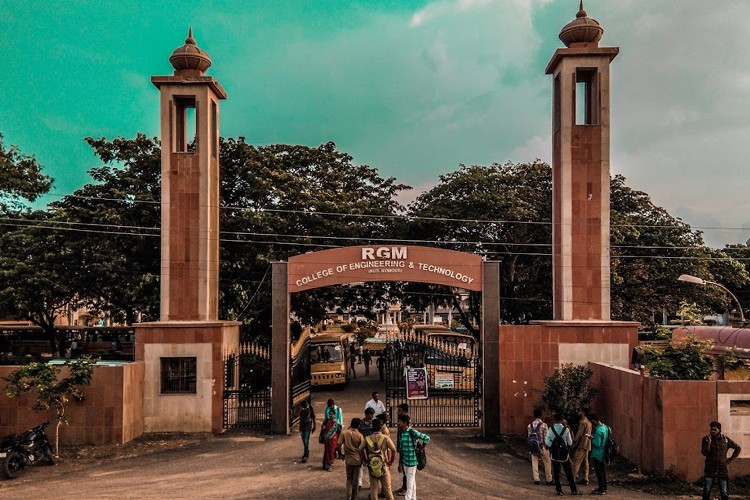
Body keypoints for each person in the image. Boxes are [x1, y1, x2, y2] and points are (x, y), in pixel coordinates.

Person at [701, 420, 741, 500]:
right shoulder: (705, 439)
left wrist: (730, 459)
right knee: (707, 490)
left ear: (719, 430)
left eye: (715, 430)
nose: (713, 431)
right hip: (710, 468)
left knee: (724, 492)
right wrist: (708, 443)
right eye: (711, 429)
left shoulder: (725, 440)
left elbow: (738, 448)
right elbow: (705, 453)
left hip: (722, 469)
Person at [359, 418, 396, 500]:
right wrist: (390, 461)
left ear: (372, 427)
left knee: (373, 490)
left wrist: (364, 460)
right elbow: (393, 449)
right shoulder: (385, 438)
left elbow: (360, 449)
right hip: (384, 466)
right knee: (388, 489)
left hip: (372, 466)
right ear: (381, 427)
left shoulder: (367, 438)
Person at [544, 412, 579, 496]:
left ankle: (559, 490)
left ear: (554, 420)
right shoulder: (566, 430)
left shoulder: (550, 429)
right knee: (568, 472)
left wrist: (552, 444)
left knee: (556, 472)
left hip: (554, 455)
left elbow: (547, 441)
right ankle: (573, 489)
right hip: (564, 454)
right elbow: (570, 443)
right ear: (562, 420)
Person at [397, 414, 430, 500]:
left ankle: (407, 498)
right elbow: (401, 450)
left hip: (412, 461)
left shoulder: (412, 432)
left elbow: (426, 438)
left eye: (400, 421)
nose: (398, 423)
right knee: (411, 480)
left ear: (404, 423)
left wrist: (421, 449)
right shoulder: (401, 433)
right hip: (405, 461)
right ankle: (413, 498)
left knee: (409, 481)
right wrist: (400, 463)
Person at [339, 418, 364, 500]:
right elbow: (362, 449)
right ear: (358, 426)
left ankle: (348, 496)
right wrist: (364, 459)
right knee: (356, 479)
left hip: (348, 459)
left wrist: (341, 454)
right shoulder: (360, 435)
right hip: (357, 459)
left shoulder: (344, 433)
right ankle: (354, 496)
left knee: (349, 478)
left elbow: (338, 445)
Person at [527, 408, 553, 485]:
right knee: (547, 463)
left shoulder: (529, 425)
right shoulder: (544, 425)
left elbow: (529, 437)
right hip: (542, 447)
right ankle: (549, 479)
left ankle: (536, 479)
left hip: (533, 446)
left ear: (534, 415)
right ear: (541, 416)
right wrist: (547, 446)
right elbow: (546, 437)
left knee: (534, 462)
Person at [589, 413, 609, 495]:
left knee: (599, 472)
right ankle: (604, 487)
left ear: (593, 420)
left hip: (597, 453)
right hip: (603, 452)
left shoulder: (598, 430)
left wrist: (592, 438)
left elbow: (597, 443)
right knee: (603, 471)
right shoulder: (605, 427)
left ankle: (601, 489)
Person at [571, 409, 592, 486]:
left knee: (576, 461)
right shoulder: (589, 422)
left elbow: (579, 433)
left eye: (580, 411)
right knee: (585, 461)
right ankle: (585, 478)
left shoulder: (583, 422)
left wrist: (574, 439)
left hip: (582, 444)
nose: (579, 412)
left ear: (583, 413)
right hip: (588, 444)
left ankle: (572, 478)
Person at [321, 404, 343, 471]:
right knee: (326, 452)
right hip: (327, 439)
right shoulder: (326, 421)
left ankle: (330, 464)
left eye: (332, 414)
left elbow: (339, 432)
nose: (331, 415)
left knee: (331, 452)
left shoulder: (336, 423)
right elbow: (322, 429)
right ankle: (325, 464)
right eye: (330, 414)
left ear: (334, 415)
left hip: (333, 440)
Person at [395, 403, 410, 496]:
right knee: (404, 469)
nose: (398, 412)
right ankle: (404, 486)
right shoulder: (402, 420)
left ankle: (406, 488)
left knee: (406, 469)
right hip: (401, 446)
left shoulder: (406, 423)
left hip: (405, 448)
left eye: (400, 410)